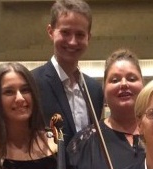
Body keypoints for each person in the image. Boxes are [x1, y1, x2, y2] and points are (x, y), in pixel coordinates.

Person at [32, 0, 103, 146]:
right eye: (65, 32)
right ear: (51, 32)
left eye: (80, 35)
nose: (72, 42)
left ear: (88, 37)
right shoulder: (32, 83)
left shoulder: (94, 89)